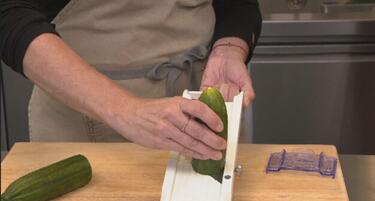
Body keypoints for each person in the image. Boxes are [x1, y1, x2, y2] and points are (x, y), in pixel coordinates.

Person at [0, 0, 262, 160]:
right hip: (83, 123)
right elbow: (8, 14)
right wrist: (127, 111)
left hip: (200, 104)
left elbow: (238, 4)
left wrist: (229, 48)